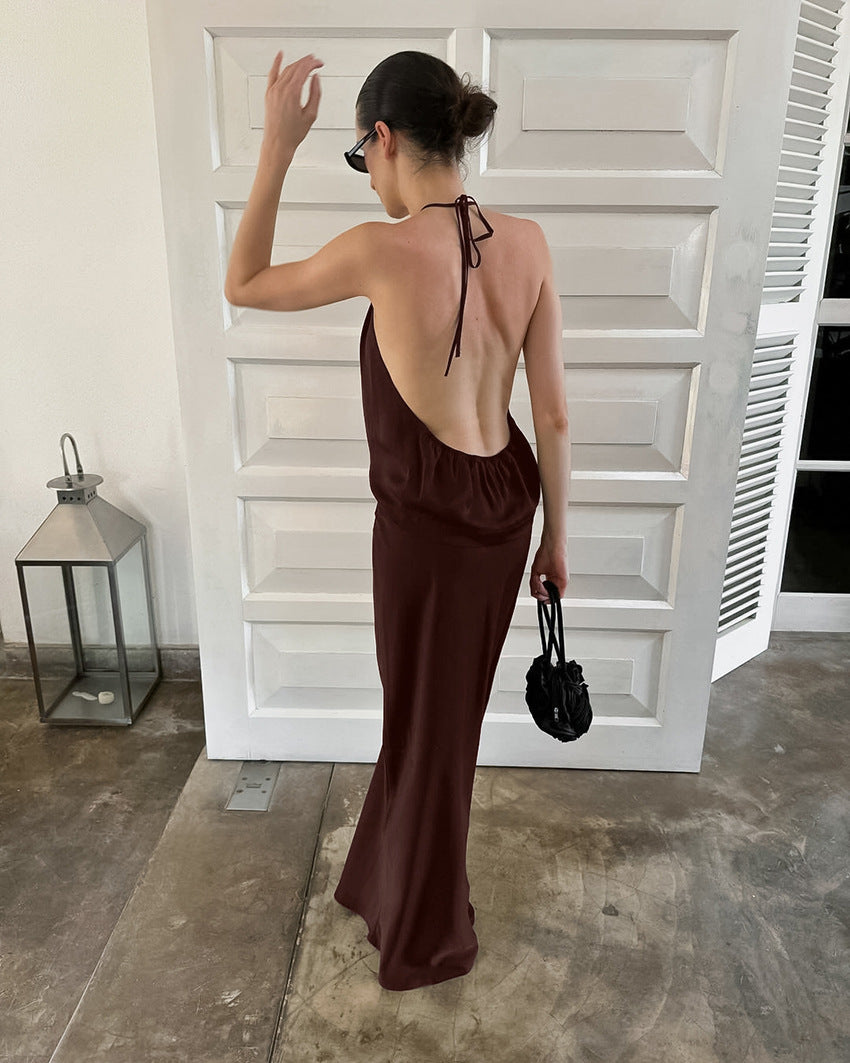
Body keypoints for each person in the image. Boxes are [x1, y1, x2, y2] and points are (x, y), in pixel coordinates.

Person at [225, 49, 570, 991]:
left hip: (425, 528)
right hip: (505, 511)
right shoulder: (529, 242)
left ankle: (425, 933)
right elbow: (552, 415)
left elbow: (243, 282)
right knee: (436, 721)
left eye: (359, 157)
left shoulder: (379, 250)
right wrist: (556, 540)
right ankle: (386, 880)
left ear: (382, 139)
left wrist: (276, 148)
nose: (368, 179)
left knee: (427, 726)